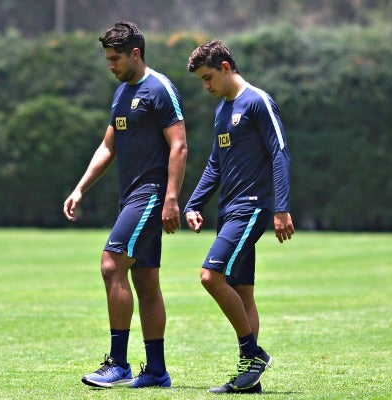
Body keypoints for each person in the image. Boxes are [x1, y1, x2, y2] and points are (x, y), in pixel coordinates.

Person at [63, 21, 187, 389]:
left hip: (150, 194)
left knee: (110, 263)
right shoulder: (120, 95)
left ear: (136, 53)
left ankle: (118, 363)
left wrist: (171, 199)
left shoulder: (159, 89)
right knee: (145, 280)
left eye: (116, 59)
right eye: (107, 59)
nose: (111, 66)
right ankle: (156, 371)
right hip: (131, 195)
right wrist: (80, 188)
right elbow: (108, 147)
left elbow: (179, 145)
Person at [184, 40, 295, 394]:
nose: (206, 87)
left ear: (227, 66)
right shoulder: (222, 111)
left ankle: (253, 353)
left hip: (251, 207)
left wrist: (281, 207)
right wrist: (193, 203)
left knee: (210, 276)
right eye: (201, 81)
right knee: (243, 292)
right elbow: (215, 164)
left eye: (208, 78)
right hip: (229, 209)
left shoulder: (257, 102)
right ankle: (250, 379)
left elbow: (279, 154)